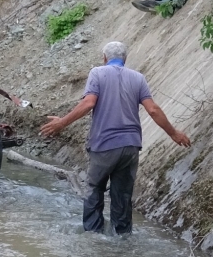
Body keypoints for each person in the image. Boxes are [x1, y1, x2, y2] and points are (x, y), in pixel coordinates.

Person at [40, 41, 191, 235]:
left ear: (104, 58)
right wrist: (174, 133)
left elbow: (88, 103)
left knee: (94, 189)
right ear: (125, 59)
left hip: (104, 145)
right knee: (122, 195)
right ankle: (122, 238)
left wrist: (61, 123)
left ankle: (93, 236)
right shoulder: (138, 78)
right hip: (130, 146)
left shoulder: (97, 73)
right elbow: (153, 109)